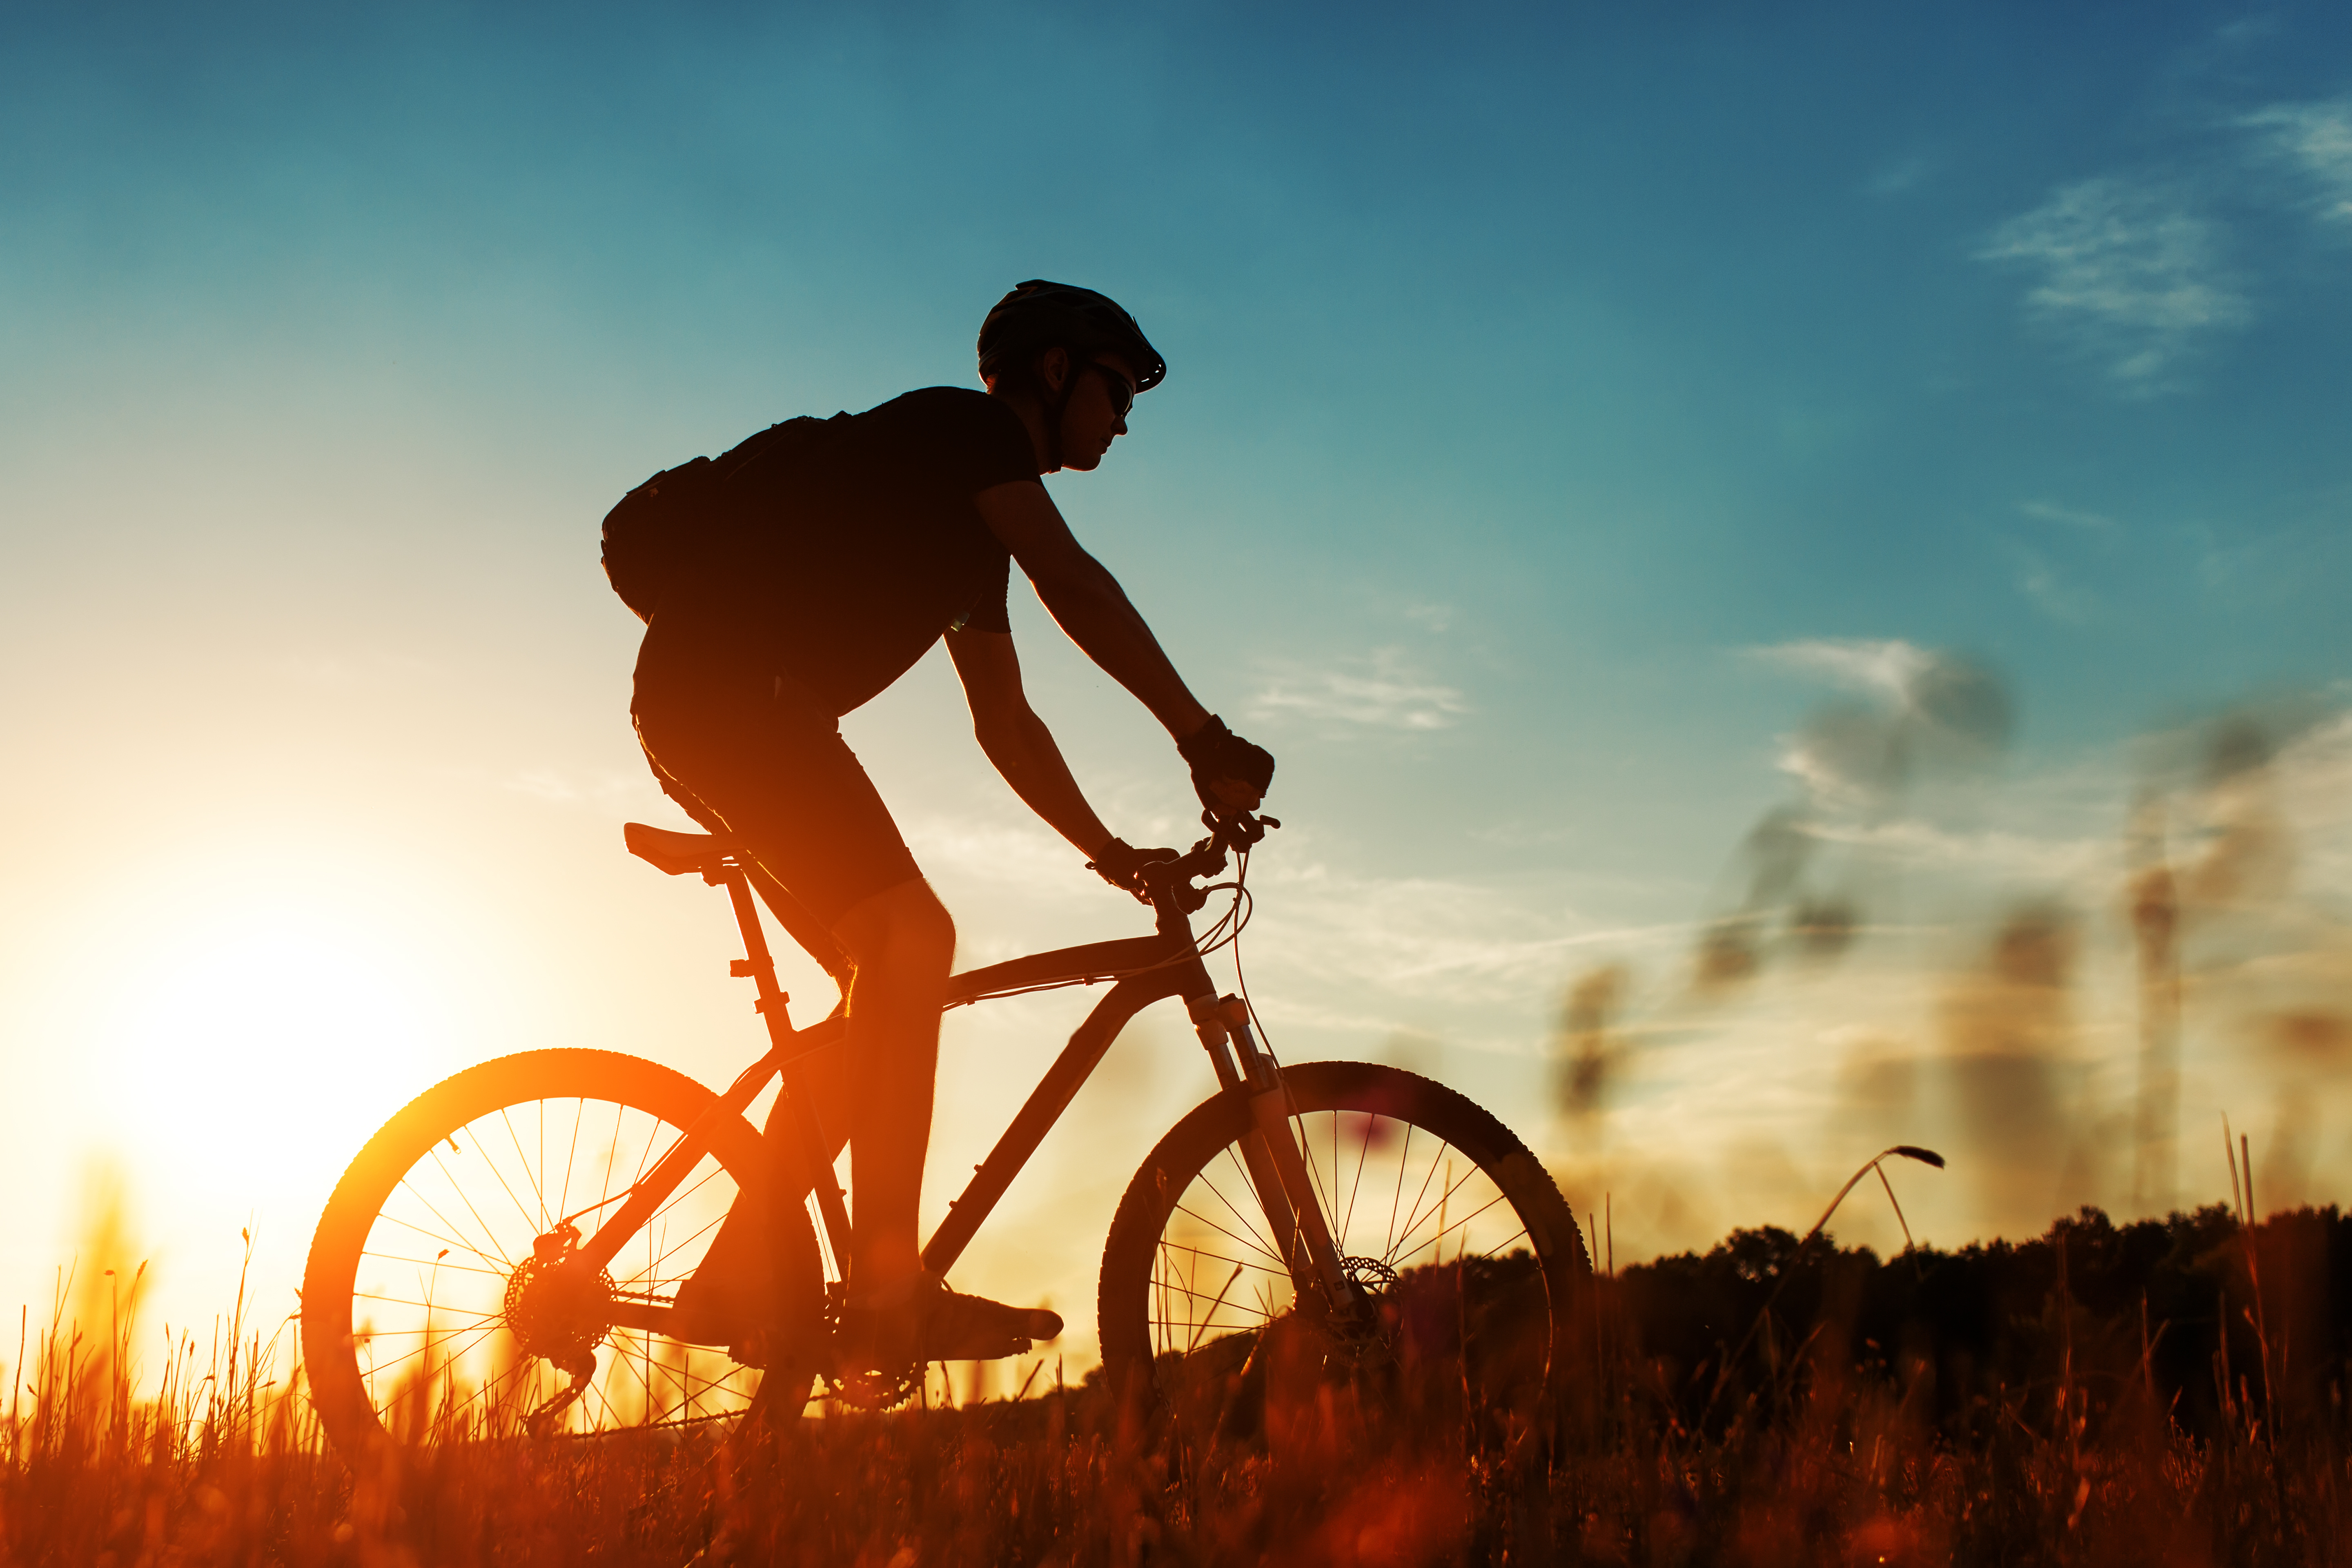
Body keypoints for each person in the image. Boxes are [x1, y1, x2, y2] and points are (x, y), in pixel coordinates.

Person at [630, 281, 1275, 1367]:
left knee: (877, 994)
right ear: (1058, 372)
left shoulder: (970, 536)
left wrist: (1113, 856)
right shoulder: (965, 431)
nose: (1125, 421)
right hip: (735, 698)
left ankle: (736, 1280)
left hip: (734, 706)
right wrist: (1197, 735)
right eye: (1118, 391)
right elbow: (1074, 579)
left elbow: (1006, 723)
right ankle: (890, 1293)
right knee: (914, 941)